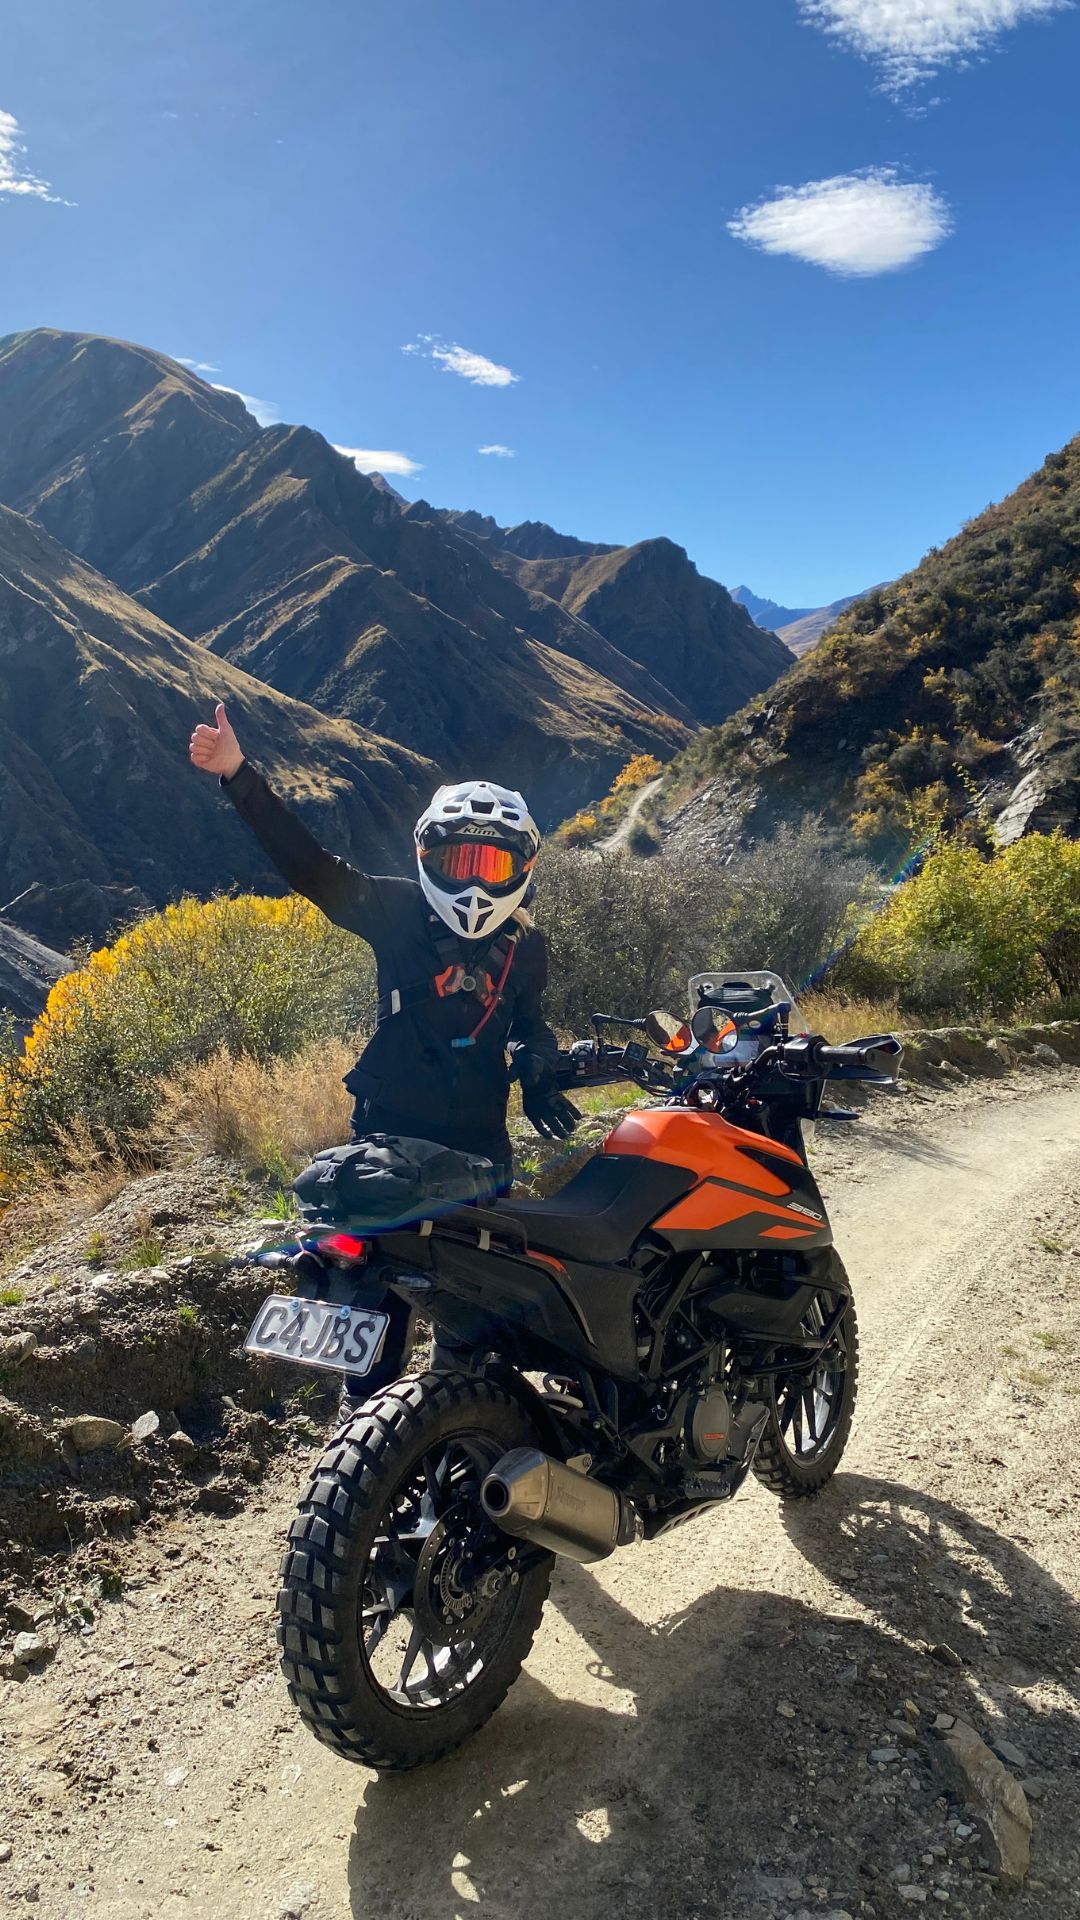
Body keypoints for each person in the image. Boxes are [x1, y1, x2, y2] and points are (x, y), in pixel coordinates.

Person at [189, 702, 579, 1409]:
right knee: (379, 1320)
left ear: (522, 869)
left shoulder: (528, 946)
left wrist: (540, 1068)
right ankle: (368, 1443)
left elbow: (530, 1024)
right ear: (427, 857)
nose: (474, 882)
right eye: (459, 860)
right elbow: (307, 864)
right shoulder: (393, 910)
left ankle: (454, 1439)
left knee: (476, 1328)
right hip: (391, 1147)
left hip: (480, 1153)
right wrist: (238, 776)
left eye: (492, 864)